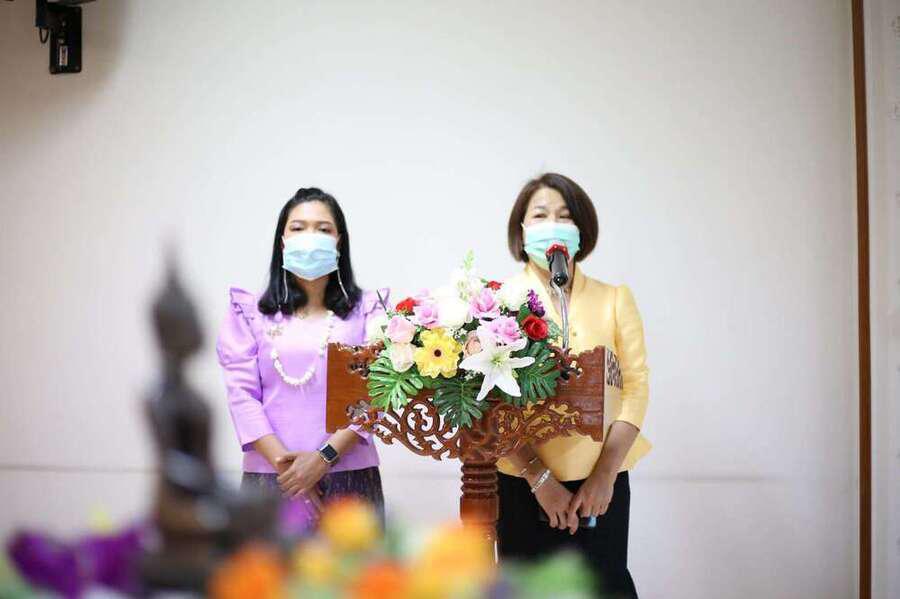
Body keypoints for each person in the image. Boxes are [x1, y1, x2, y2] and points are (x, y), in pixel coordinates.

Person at [496, 173, 650, 598]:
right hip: (521, 483)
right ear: (521, 229)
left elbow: (635, 387)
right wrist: (539, 478)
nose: (552, 225)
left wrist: (605, 475)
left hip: (600, 486)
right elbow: (487, 402)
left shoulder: (614, 298)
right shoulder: (497, 302)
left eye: (564, 216)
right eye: (540, 215)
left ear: (581, 229)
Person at [216, 187, 388, 526]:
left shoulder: (369, 311)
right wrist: (292, 472)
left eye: (323, 229)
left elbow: (377, 393)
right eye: (298, 227)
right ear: (282, 242)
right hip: (271, 479)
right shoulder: (248, 311)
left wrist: (323, 459)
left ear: (339, 241)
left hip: (350, 477)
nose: (310, 237)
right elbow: (241, 396)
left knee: (355, 563)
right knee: (266, 564)